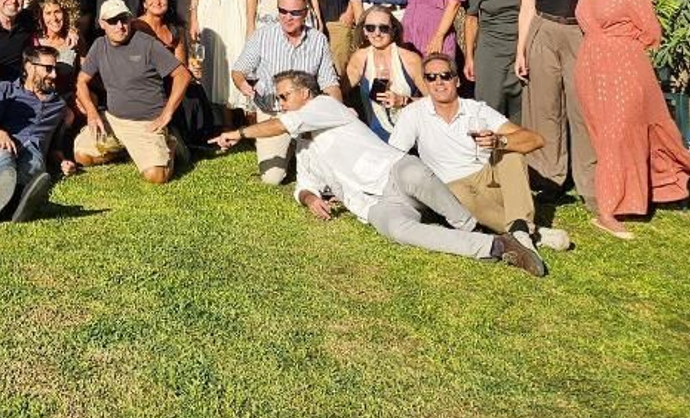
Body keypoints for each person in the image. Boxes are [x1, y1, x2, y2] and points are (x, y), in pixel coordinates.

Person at [211, 71, 547, 276]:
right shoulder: (303, 145)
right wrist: (310, 197)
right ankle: (496, 246)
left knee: (416, 174)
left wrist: (238, 133)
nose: (281, 102)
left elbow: (285, 123)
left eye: (284, 96)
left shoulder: (324, 107)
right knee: (397, 231)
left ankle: (469, 225)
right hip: (370, 202)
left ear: (305, 93)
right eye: (279, 98)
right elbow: (304, 183)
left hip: (392, 172)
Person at [572, 0, 690, 238]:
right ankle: (622, 199)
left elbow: (651, 32)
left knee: (617, 136)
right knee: (603, 136)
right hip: (590, 69)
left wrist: (621, 49)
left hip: (624, 69)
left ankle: (608, 210)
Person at [388, 53, 570, 251]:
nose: (439, 82)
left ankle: (521, 229)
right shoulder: (414, 113)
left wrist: (499, 140)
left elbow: (536, 140)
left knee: (511, 153)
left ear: (456, 81)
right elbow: (393, 155)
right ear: (425, 82)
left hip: (489, 180)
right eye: (431, 77)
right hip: (452, 187)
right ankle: (530, 232)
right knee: (456, 192)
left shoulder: (476, 110)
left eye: (445, 76)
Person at [515, 0, 596, 204]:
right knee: (545, 109)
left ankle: (591, 184)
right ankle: (549, 178)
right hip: (542, 32)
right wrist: (520, 51)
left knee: (582, 108)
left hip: (578, 34)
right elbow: (527, 9)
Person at [228, 0, 342, 184]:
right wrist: (242, 84)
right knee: (272, 178)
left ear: (306, 13)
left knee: (327, 170)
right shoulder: (262, 36)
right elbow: (238, 71)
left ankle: (297, 148)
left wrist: (337, 112)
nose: (288, 17)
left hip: (306, 113)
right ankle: (287, 148)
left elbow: (330, 83)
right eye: (283, 11)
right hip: (272, 111)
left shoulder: (318, 40)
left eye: (295, 13)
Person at [72, 0, 189, 184]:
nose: (120, 26)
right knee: (81, 156)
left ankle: (170, 144)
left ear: (130, 19)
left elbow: (182, 75)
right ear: (102, 24)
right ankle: (125, 150)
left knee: (156, 176)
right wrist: (92, 113)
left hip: (146, 124)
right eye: (112, 21)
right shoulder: (99, 46)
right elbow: (81, 82)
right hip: (113, 120)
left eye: (123, 19)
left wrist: (167, 114)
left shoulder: (147, 44)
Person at [0, 44, 74, 225]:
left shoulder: (59, 106)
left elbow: (54, 147)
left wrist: (62, 162)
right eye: (48, 69)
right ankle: (10, 190)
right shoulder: (5, 90)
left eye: (55, 69)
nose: (54, 75)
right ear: (29, 67)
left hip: (32, 152)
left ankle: (11, 202)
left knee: (35, 159)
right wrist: (0, 133)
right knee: (5, 153)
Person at [137, 0, 214, 147]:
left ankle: (197, 140)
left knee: (193, 90)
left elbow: (180, 66)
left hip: (170, 79)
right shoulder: (137, 27)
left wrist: (191, 70)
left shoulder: (174, 29)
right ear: (144, 3)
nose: (157, 1)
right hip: (147, 83)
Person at [465, 0, 523, 120]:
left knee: (522, 107)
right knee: (489, 107)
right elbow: (471, 19)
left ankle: (521, 149)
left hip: (521, 48)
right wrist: (469, 57)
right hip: (490, 51)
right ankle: (489, 150)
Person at [345, 5, 421, 138]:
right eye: (370, 28)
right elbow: (338, 92)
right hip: (375, 138)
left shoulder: (410, 59)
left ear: (394, 30)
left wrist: (404, 101)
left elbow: (435, 102)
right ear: (364, 31)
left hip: (411, 135)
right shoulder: (360, 58)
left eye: (384, 28)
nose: (377, 33)